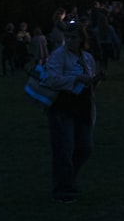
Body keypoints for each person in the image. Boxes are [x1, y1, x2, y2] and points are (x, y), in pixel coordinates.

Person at [42, 20, 102, 203]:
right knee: (64, 148)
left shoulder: (87, 58)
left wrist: (94, 81)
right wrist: (77, 78)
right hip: (63, 107)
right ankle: (63, 189)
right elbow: (51, 79)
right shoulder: (59, 56)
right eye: (67, 37)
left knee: (85, 147)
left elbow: (89, 83)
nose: (69, 40)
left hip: (82, 107)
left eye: (73, 37)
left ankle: (67, 179)